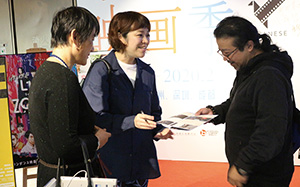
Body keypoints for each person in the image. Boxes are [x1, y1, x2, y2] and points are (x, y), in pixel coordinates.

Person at [196, 16, 294, 187]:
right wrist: (214, 112)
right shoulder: (249, 69)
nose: (225, 59)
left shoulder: (268, 76)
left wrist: (243, 165)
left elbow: (271, 130)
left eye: (228, 53)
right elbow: (239, 103)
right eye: (222, 53)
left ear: (249, 46)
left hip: (265, 174)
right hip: (253, 171)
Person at [82, 11, 173, 187]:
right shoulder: (102, 70)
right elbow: (96, 118)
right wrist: (133, 121)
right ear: (121, 37)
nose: (146, 40)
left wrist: (157, 129)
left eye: (148, 35)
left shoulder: (147, 72)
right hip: (111, 163)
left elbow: (154, 112)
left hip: (140, 161)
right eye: (140, 35)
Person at [28, 6, 111, 187]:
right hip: (70, 176)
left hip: (50, 174)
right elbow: (66, 146)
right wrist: (98, 140)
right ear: (75, 37)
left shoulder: (45, 71)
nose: (92, 46)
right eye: (91, 39)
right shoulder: (63, 78)